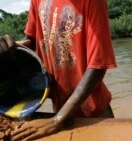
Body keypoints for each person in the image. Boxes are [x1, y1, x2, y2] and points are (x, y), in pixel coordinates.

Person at [0, 0, 116, 140]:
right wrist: (10, 46)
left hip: (94, 112)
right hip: (60, 107)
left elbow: (98, 65)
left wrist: (58, 119)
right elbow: (31, 41)